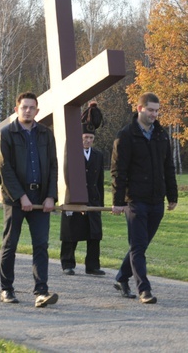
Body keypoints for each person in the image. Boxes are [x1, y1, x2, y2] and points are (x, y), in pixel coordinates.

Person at [111, 92, 178, 304]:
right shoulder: (126, 136)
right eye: (150, 110)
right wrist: (118, 201)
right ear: (140, 108)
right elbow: (118, 171)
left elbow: (168, 167)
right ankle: (144, 290)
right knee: (138, 246)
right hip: (135, 200)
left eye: (157, 111)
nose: (154, 114)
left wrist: (172, 195)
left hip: (156, 200)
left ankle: (122, 277)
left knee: (140, 245)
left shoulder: (161, 135)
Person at [0, 92, 58, 308]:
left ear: (37, 111)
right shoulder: (6, 133)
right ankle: (7, 289)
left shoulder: (45, 134)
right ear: (16, 109)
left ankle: (41, 291)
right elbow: (3, 169)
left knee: (41, 244)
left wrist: (51, 196)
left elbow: (52, 165)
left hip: (40, 198)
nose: (28, 110)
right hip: (15, 199)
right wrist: (21, 196)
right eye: (24, 107)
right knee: (10, 244)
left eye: (32, 107)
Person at [60, 122, 106, 276]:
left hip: (92, 199)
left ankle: (92, 266)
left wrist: (100, 204)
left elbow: (99, 180)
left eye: (91, 138)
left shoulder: (98, 155)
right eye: (85, 137)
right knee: (71, 232)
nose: (88, 140)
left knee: (94, 234)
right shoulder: (71, 153)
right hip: (73, 197)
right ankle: (68, 263)